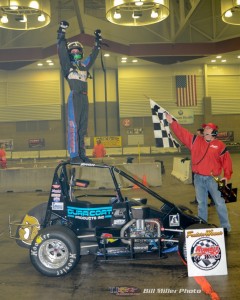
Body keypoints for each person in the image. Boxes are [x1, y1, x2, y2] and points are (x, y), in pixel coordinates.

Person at [166, 114, 232, 234]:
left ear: (214, 132)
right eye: (205, 128)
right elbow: (182, 133)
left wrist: (226, 176)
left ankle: (226, 227)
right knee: (201, 204)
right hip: (198, 178)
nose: (205, 129)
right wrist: (172, 122)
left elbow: (227, 162)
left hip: (214, 179)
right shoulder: (195, 140)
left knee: (220, 203)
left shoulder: (220, 145)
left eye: (208, 128)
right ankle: (203, 226)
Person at [57, 21, 102, 163]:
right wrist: (62, 32)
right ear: (70, 54)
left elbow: (93, 56)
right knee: (73, 126)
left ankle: (82, 154)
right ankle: (74, 155)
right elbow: (62, 51)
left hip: (84, 98)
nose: (75, 53)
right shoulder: (67, 66)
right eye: (73, 51)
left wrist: (98, 42)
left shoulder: (84, 66)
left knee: (82, 128)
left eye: (78, 51)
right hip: (74, 96)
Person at [190, 128, 215, 207]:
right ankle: (197, 199)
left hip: (206, 171)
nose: (197, 136)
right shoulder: (197, 143)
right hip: (196, 169)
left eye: (199, 134)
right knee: (197, 185)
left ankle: (213, 200)